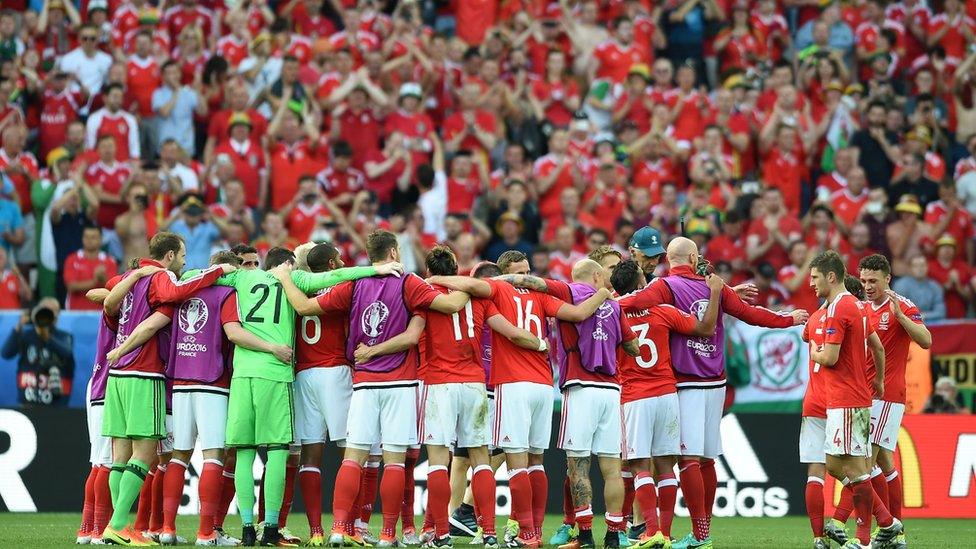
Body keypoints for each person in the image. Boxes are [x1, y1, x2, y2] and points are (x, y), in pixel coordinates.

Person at [272, 230, 469, 547]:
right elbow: (451, 306)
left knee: (353, 458)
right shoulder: (409, 282)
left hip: (363, 382)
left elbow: (305, 308)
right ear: (393, 252)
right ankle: (389, 534)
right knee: (393, 459)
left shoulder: (354, 284)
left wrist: (284, 279)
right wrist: (470, 286)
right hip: (400, 382)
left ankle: (337, 528)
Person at [619, 237, 808, 549]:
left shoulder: (664, 287)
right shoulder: (714, 286)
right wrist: (789, 319)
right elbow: (753, 315)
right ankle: (702, 532)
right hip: (716, 382)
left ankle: (697, 534)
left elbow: (634, 302)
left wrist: (601, 304)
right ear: (694, 257)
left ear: (669, 259)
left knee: (688, 460)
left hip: (686, 382)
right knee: (707, 460)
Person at [211, 244, 402, 546]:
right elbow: (338, 276)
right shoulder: (303, 283)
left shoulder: (242, 281)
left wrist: (222, 268)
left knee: (257, 453)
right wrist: (375, 268)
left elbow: (200, 279)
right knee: (325, 452)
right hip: (302, 372)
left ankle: (261, 527)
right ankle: (340, 527)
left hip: (264, 374)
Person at [356, 247, 546, 548]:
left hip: (438, 383)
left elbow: (409, 334)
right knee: (481, 461)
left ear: (429, 270)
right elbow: (509, 331)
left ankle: (441, 534)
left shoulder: (422, 293)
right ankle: (490, 534)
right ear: (456, 267)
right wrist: (539, 344)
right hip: (473, 384)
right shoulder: (477, 297)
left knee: (438, 461)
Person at [426, 255, 613, 548]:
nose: (525, 278)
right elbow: (578, 315)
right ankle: (534, 531)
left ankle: (524, 533)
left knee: (514, 463)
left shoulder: (497, 289)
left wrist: (435, 280)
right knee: (535, 462)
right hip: (542, 385)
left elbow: (469, 287)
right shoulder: (541, 295)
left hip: (513, 384)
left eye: (527, 273)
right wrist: (603, 293)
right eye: (522, 273)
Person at [97, 232, 233, 546]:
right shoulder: (161, 278)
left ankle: (115, 526)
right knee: (145, 454)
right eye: (183, 257)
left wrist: (118, 351)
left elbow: (106, 300)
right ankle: (118, 525)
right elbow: (157, 317)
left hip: (117, 376)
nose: (185, 263)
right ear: (169, 255)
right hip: (143, 372)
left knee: (121, 456)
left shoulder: (131, 276)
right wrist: (215, 272)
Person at [500, 258, 643, 549]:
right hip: (611, 390)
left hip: (580, 387)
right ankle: (614, 534)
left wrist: (496, 281)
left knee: (578, 465)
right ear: (597, 275)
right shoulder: (615, 306)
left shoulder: (567, 291)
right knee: (612, 468)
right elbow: (635, 348)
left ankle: (586, 536)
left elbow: (530, 282)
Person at [608, 259, 721, 547]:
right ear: (640, 284)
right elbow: (706, 328)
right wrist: (715, 293)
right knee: (666, 467)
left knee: (639, 466)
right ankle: (667, 535)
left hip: (635, 397)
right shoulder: (664, 310)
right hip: (667, 394)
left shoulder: (612, 311)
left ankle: (651, 531)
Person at [806, 250, 902, 548]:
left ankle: (866, 537)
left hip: (847, 399)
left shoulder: (839, 308)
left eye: (815, 278)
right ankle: (887, 521)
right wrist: (877, 378)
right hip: (847, 398)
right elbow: (877, 346)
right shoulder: (859, 307)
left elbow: (830, 358)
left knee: (857, 470)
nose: (811, 284)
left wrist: (814, 350)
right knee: (835, 465)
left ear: (830, 277)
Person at [845, 255, 931, 548]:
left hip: (886, 395)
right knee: (882, 462)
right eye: (864, 280)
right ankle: (896, 531)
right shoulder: (860, 306)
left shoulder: (902, 305)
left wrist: (902, 318)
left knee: (863, 461)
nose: (867, 286)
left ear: (887, 279)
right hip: (862, 394)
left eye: (873, 281)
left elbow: (926, 340)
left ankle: (864, 538)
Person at [799, 274, 865, 549]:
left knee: (816, 473)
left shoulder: (815, 318)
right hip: (840, 401)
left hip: (813, 402)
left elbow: (807, 336)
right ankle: (840, 522)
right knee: (857, 471)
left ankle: (818, 537)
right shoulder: (852, 318)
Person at [1, 298, 74, 407]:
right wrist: (19, 326)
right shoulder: (26, 335)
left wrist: (47, 337)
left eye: (54, 311)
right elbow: (6, 353)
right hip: (29, 401)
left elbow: (67, 353)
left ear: (58, 315)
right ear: (37, 311)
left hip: (56, 405)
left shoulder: (64, 337)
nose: (49, 314)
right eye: (46, 310)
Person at [62, 226, 118, 311]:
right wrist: (95, 281)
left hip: (102, 313)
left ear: (101, 240)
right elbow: (71, 286)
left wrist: (102, 279)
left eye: (93, 237)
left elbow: (115, 289)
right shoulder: (72, 259)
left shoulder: (110, 261)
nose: (89, 240)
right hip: (75, 312)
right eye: (86, 237)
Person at [891, 256, 946, 321]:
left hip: (932, 325)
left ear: (928, 267)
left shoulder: (935, 286)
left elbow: (941, 312)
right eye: (915, 266)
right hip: (906, 326)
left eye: (923, 265)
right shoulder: (900, 285)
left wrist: (924, 316)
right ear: (909, 269)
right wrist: (918, 317)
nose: (920, 268)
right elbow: (898, 312)